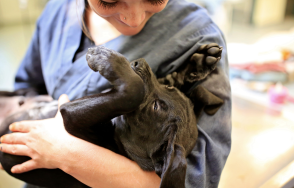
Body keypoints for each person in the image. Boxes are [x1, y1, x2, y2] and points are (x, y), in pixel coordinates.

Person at [0, 0, 232, 187]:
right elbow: (28, 87)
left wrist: (66, 153)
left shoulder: (198, 36)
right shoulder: (59, 9)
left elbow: (196, 180)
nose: (134, 19)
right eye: (109, 1)